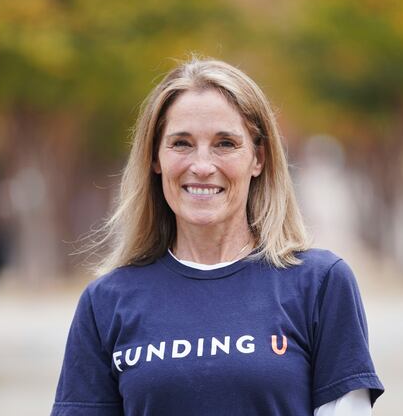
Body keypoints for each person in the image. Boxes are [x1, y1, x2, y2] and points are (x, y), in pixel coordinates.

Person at [50, 57, 384, 416]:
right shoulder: (106, 302)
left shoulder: (320, 284)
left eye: (225, 144)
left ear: (258, 158)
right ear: (155, 158)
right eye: (181, 143)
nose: (203, 166)